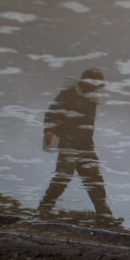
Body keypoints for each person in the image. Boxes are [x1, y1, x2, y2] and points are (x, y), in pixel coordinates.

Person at [38, 68, 116, 223]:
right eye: (97, 84)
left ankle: (104, 216)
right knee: (63, 177)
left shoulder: (92, 98)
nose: (99, 87)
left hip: (87, 145)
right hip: (69, 142)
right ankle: (43, 210)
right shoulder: (68, 94)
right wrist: (49, 131)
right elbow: (52, 113)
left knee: (94, 179)